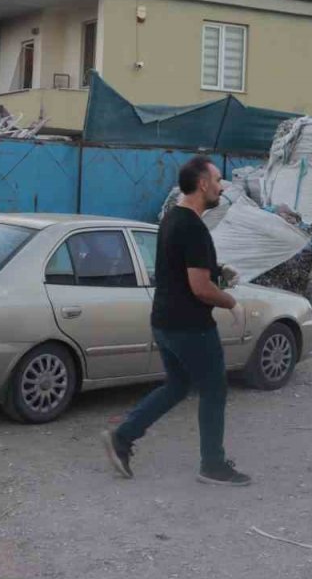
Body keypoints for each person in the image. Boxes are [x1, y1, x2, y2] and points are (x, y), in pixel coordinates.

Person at [101, 155, 250, 487]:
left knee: (178, 384)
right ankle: (212, 465)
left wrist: (217, 269)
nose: (221, 186)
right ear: (202, 184)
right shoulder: (193, 227)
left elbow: (182, 266)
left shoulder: (172, 218)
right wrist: (232, 302)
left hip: (165, 321)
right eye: (217, 180)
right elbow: (199, 288)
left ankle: (122, 437)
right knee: (214, 390)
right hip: (190, 326)